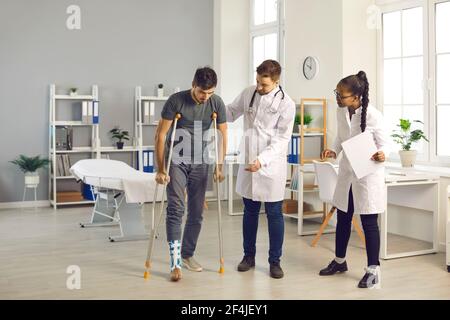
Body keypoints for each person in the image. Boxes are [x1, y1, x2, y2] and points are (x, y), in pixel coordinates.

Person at [319, 71, 390, 289]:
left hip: (367, 175)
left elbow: (386, 142)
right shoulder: (342, 112)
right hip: (348, 173)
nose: (338, 98)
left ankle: (373, 270)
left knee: (369, 223)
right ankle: (339, 262)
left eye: (342, 95)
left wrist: (383, 153)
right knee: (343, 217)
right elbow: (342, 136)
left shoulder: (373, 116)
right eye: (337, 94)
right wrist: (333, 149)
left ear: (357, 96)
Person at [155, 67, 227, 282]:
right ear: (193, 85)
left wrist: (219, 166)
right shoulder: (176, 101)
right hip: (176, 160)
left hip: (201, 162)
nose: (205, 97)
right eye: (202, 92)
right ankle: (175, 262)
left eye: (210, 93)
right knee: (176, 209)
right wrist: (160, 169)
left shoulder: (216, 103)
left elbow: (223, 134)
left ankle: (187, 254)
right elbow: (161, 136)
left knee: (196, 213)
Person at [226, 60, 295, 279]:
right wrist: (213, 109)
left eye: (264, 84)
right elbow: (231, 112)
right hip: (248, 160)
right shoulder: (249, 93)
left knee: (274, 213)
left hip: (271, 165)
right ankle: (249, 256)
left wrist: (262, 160)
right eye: (257, 81)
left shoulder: (287, 104)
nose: (259, 87)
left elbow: (282, 140)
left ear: (276, 81)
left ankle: (275, 261)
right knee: (250, 211)